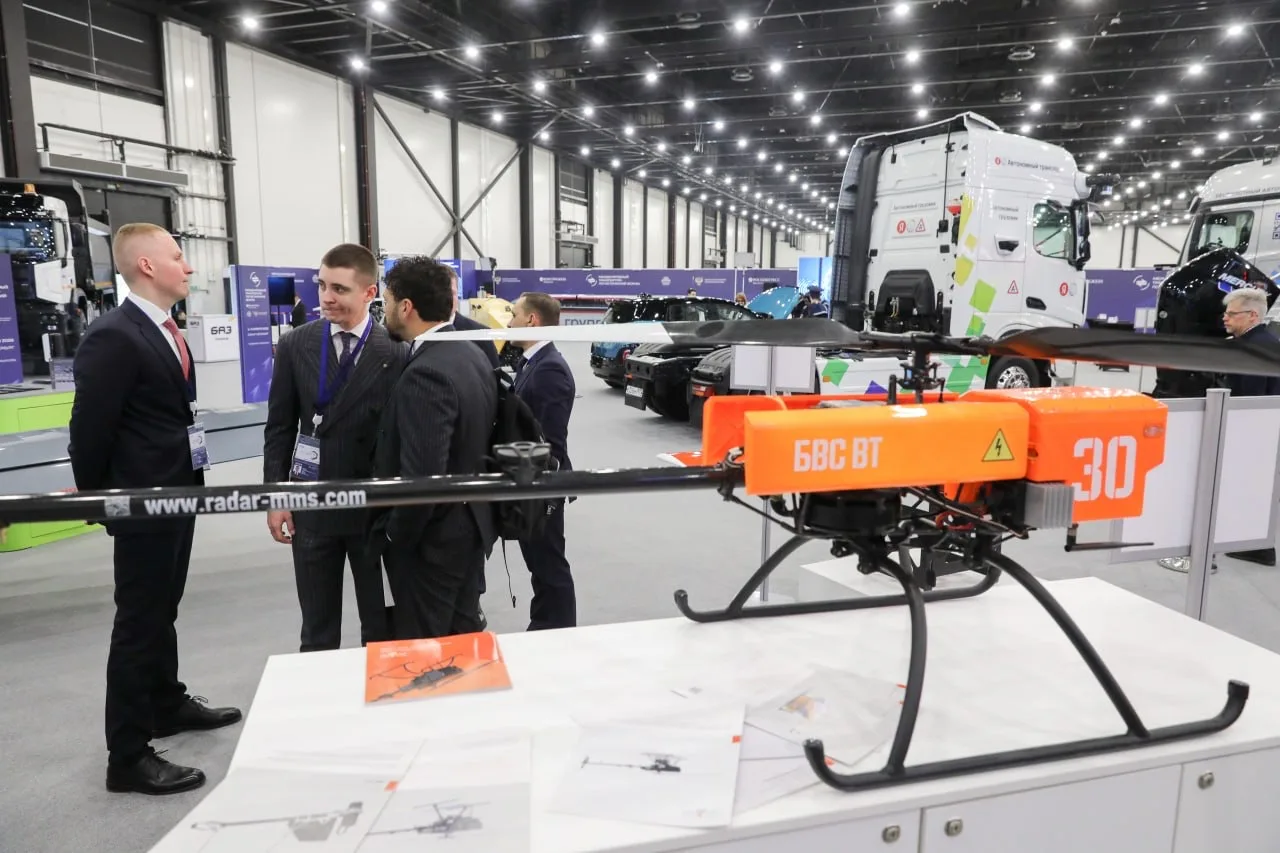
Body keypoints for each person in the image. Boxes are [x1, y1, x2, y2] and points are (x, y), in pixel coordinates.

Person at [68, 223, 241, 796]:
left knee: (163, 608)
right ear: (146, 266)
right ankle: (127, 755)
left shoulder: (164, 328)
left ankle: (165, 702)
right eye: (177, 256)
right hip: (142, 503)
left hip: (176, 494)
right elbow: (89, 428)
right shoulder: (114, 336)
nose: (188, 266)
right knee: (138, 623)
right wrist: (101, 499)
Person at [263, 243, 401, 652]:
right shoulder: (296, 345)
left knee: (379, 627)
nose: (326, 297)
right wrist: (276, 495)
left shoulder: (395, 351)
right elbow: (279, 427)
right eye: (322, 285)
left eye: (339, 289)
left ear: (369, 293)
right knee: (317, 629)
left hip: (371, 509)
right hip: (312, 505)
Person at [371, 256, 498, 639]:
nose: (384, 310)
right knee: (462, 640)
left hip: (433, 544)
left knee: (427, 650)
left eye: (387, 301)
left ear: (406, 307)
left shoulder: (427, 372)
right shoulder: (471, 354)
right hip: (469, 527)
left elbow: (424, 478)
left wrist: (395, 536)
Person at [508, 292, 577, 629]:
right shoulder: (532, 363)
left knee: (549, 566)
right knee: (540, 565)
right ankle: (545, 625)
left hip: (541, 488)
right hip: (531, 483)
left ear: (531, 320)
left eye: (514, 315)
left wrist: (541, 494)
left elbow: (551, 444)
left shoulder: (549, 369)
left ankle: (558, 631)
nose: (509, 323)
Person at [1221, 287, 1280, 566]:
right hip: (1266, 428)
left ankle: (1259, 547)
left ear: (1252, 315)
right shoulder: (1264, 341)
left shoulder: (1253, 348)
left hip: (1256, 429)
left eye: (1232, 314)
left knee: (1254, 486)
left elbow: (1250, 396)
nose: (1225, 318)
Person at [446, 269, 500, 368]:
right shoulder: (419, 331)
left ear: (457, 294)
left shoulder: (480, 334)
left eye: (450, 293)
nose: (446, 298)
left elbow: (493, 374)